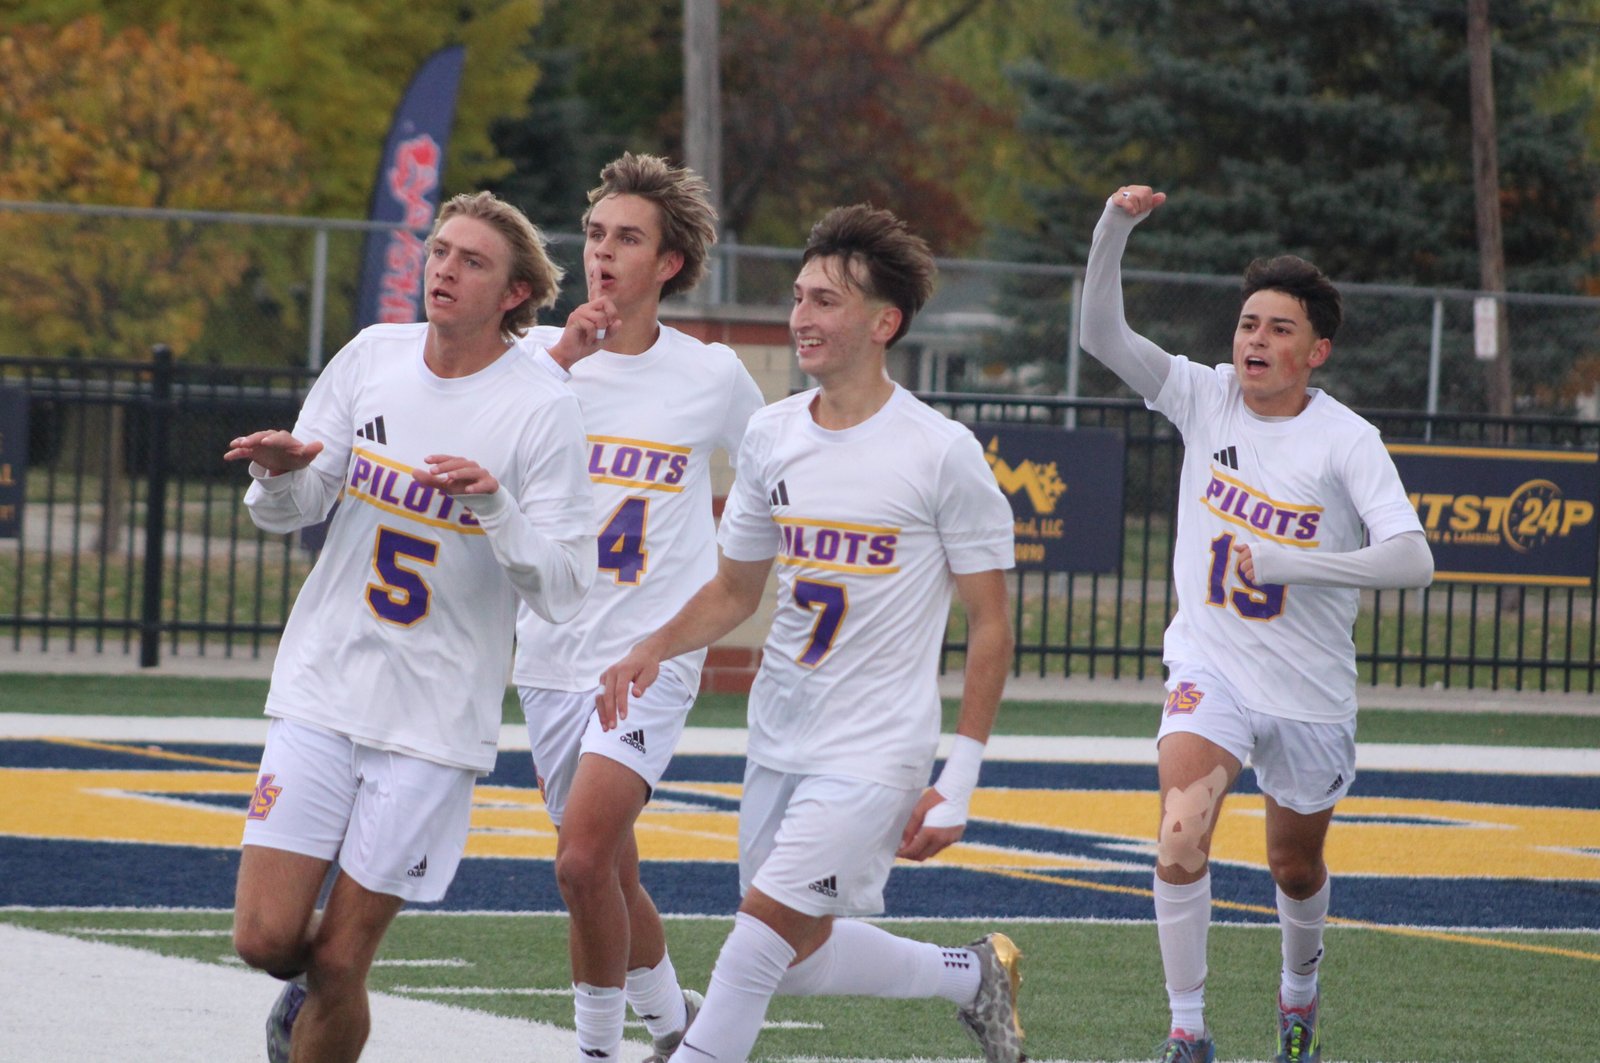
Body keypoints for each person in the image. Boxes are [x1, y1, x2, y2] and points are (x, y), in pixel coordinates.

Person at [598, 204, 1025, 1063]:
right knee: (795, 954)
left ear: (883, 321)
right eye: (799, 297)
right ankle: (970, 975)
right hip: (781, 731)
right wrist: (652, 646)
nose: (802, 317)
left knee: (753, 946)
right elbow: (732, 589)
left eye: (826, 300)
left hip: (876, 750)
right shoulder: (771, 433)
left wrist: (963, 775)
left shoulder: (941, 451)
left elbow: (991, 621)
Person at [226, 190, 602, 1063]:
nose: (444, 269)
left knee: (342, 957)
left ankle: (320, 1016)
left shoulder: (541, 406)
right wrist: (283, 476)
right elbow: (294, 505)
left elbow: (564, 586)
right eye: (440, 251)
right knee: (266, 939)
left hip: (431, 721)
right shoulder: (372, 356)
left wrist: (497, 506)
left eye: (472, 261)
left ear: (513, 294)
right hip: (325, 684)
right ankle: (307, 1003)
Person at [1079, 185, 1434, 1063]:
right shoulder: (1204, 399)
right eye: (1247, 323)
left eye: (1278, 328)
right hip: (1213, 667)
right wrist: (1113, 228)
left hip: (1309, 691)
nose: (1255, 341)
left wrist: (1298, 562)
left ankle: (1299, 995)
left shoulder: (1347, 439)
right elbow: (1100, 336)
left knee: (1294, 867)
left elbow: (1413, 559)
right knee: (1180, 831)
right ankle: (1188, 1028)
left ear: (1316, 349)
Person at [512, 152, 765, 1063]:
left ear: (668, 264)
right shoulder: (538, 363)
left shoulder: (712, 376)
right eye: (594, 235)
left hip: (650, 653)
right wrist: (558, 359)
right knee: (610, 870)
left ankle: (596, 1051)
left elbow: (781, 471)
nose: (603, 254)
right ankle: (680, 1030)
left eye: (628, 238)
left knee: (580, 860)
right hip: (549, 651)